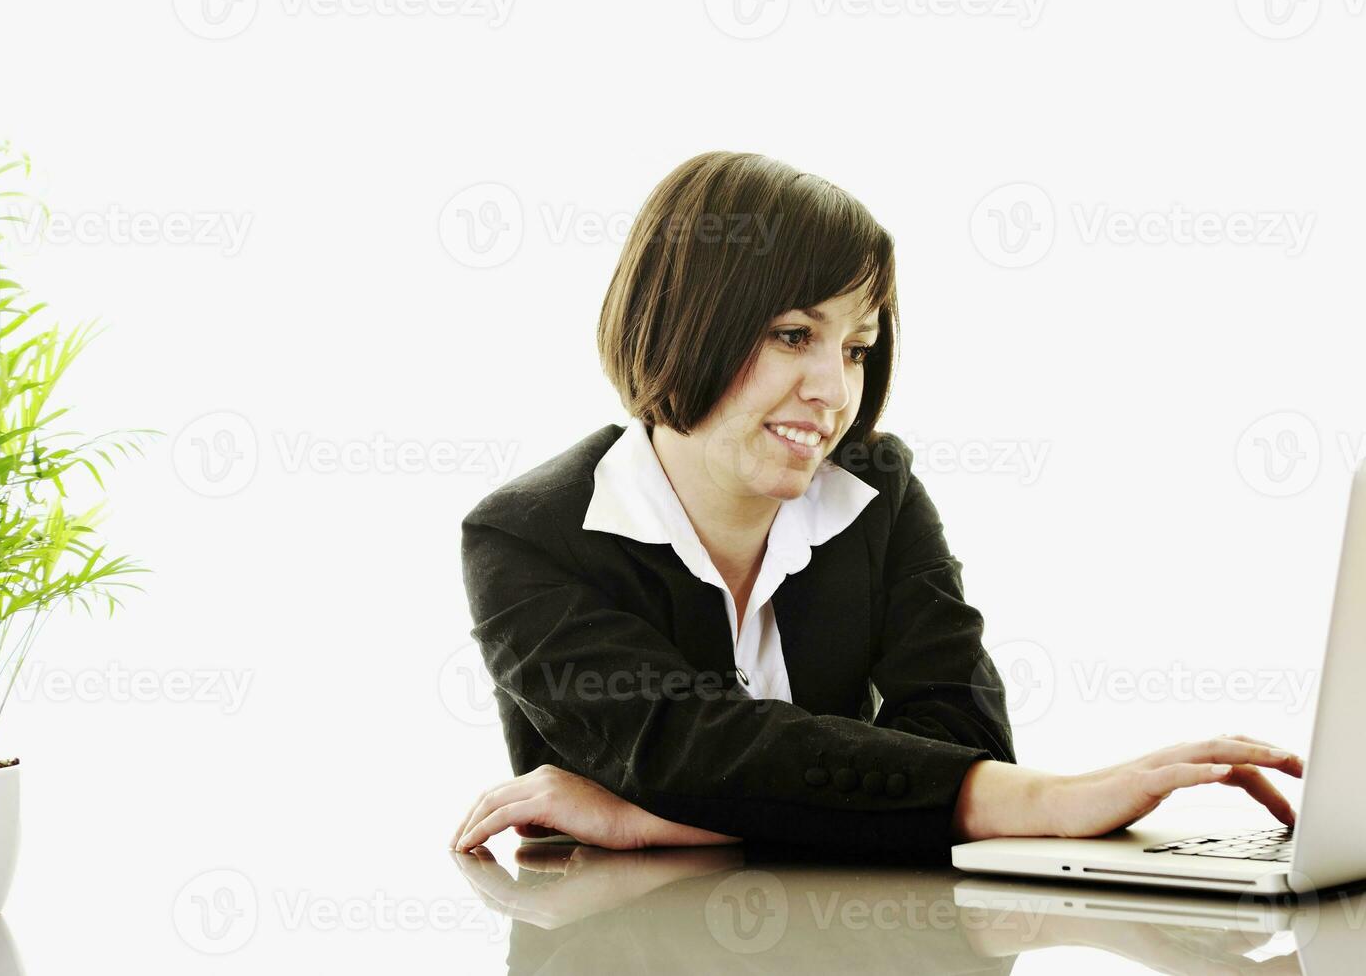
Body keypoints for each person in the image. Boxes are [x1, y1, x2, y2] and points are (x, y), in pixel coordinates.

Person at [452, 151, 1301, 858]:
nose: (833, 392)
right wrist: (1042, 800)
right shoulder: (529, 539)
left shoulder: (874, 490)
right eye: (794, 335)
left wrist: (643, 819)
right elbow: (684, 745)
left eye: (857, 348)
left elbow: (963, 734)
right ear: (684, 322)